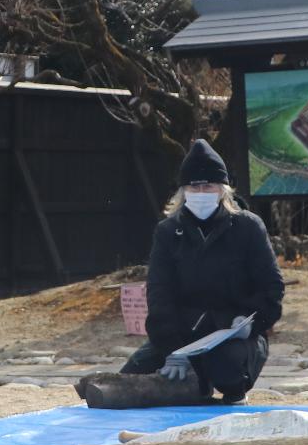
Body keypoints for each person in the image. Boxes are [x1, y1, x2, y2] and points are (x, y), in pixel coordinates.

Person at [117, 139, 284, 403]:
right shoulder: (168, 232)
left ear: (222, 190)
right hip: (184, 332)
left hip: (233, 331)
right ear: (183, 191)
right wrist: (171, 348)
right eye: (195, 186)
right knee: (131, 376)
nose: (202, 191)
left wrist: (251, 322)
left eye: (209, 185)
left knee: (226, 369)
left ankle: (228, 390)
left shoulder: (248, 228)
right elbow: (160, 295)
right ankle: (194, 384)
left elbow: (272, 287)